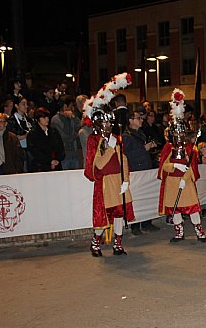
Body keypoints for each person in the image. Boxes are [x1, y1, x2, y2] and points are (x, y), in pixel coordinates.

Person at [83, 73, 134, 257]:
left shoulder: (115, 137)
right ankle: (95, 244)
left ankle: (118, 244)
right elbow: (96, 165)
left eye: (108, 122)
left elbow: (124, 160)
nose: (106, 125)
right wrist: (110, 148)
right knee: (104, 214)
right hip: (104, 182)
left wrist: (126, 179)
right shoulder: (93, 139)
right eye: (103, 122)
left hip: (118, 180)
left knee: (120, 213)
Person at [158, 89, 206, 243]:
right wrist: (174, 167)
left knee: (193, 207)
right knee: (175, 209)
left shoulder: (189, 148)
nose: (179, 136)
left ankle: (199, 232)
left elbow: (193, 166)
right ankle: (179, 232)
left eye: (181, 133)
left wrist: (185, 177)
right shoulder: (168, 147)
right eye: (176, 133)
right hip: (172, 182)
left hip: (186, 182)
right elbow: (163, 166)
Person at [123, 107, 160, 235]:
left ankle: (147, 222)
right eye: (138, 118)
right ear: (130, 120)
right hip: (135, 170)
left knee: (147, 196)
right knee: (137, 198)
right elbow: (127, 155)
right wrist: (144, 148)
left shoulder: (141, 133)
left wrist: (150, 147)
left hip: (145, 168)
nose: (141, 120)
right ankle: (135, 225)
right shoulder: (126, 136)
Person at [27, 107, 65, 172]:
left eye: (47, 117)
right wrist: (49, 161)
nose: (47, 119)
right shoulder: (33, 134)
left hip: (56, 165)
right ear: (37, 119)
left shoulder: (53, 131)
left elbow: (60, 146)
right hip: (41, 167)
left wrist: (57, 159)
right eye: (44, 117)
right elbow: (35, 152)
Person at [51, 95, 81, 170]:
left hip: (74, 153)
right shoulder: (56, 119)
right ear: (65, 106)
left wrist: (74, 118)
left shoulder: (72, 117)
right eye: (71, 106)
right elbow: (64, 137)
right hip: (64, 155)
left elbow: (80, 126)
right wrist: (76, 135)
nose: (72, 109)